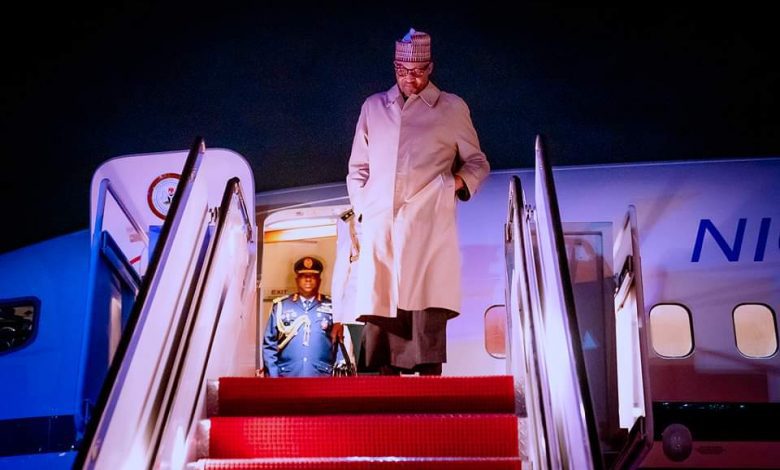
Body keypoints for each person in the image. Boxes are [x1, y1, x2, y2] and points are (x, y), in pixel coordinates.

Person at [343, 28, 490, 375]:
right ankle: (382, 409)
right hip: (382, 230)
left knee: (425, 316)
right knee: (381, 319)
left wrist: (449, 185)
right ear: (394, 67)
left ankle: (429, 409)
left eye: (418, 70)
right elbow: (357, 169)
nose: (410, 78)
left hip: (428, 227)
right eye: (402, 70)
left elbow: (477, 163)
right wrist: (367, 210)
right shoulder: (374, 107)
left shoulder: (451, 107)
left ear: (431, 67)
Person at [262, 256, 342, 377]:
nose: (308, 280)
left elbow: (340, 345)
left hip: (322, 377)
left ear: (319, 280)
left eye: (312, 276)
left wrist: (337, 376)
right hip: (287, 377)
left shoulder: (333, 307)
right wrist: (274, 378)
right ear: (297, 280)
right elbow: (269, 345)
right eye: (304, 276)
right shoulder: (281, 306)